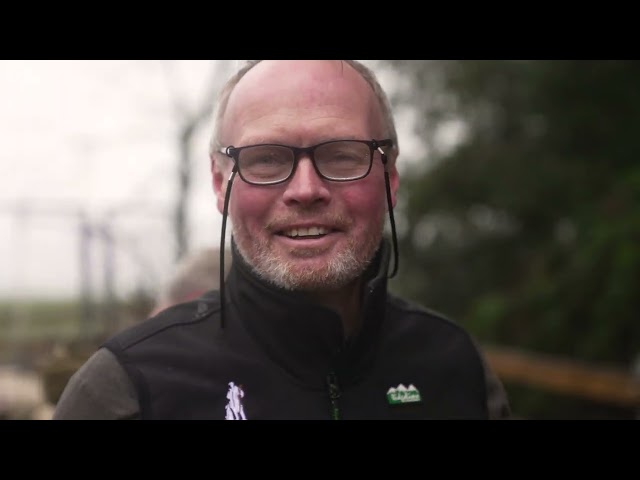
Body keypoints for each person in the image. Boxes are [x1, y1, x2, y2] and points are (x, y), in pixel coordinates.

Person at [53, 60, 511, 420]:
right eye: (266, 159)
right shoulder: (130, 389)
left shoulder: (454, 366)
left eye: (342, 155)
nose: (305, 189)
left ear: (389, 178)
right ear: (219, 182)